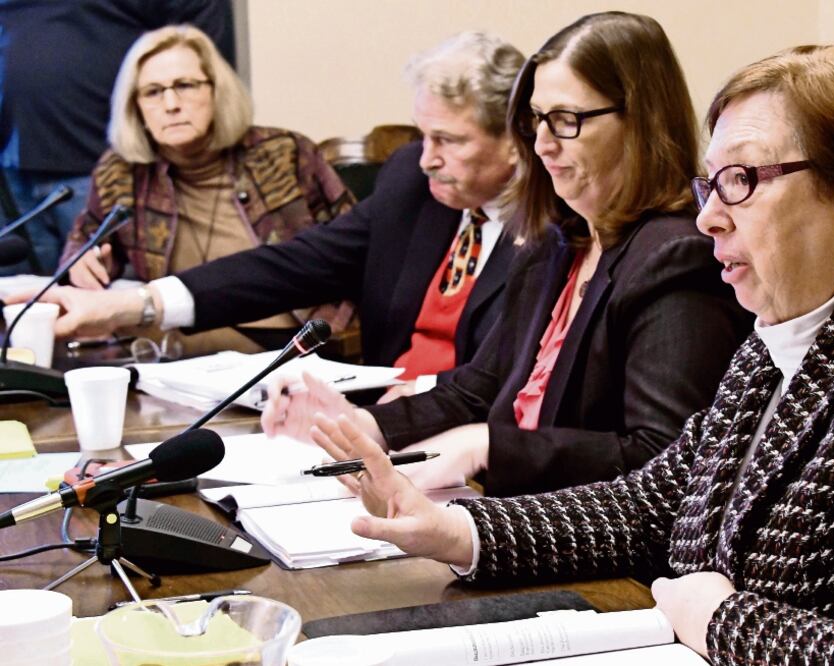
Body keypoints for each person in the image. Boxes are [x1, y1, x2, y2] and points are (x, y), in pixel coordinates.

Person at [307, 44, 834, 663]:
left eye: (744, 180)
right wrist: (453, 530)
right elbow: (651, 504)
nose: (708, 217)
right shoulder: (785, 334)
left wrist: (724, 620)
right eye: (712, 182)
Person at [265, 12, 750, 497]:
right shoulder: (559, 239)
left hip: (609, 559)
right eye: (536, 120)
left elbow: (665, 461)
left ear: (639, 120)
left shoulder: (677, 255)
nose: (541, 144)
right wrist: (362, 424)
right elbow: (479, 387)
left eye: (565, 120)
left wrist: (490, 446)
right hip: (513, 517)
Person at [15, 32, 523, 383]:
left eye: (449, 140)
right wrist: (135, 303)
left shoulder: (558, 226)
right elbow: (297, 263)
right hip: (360, 416)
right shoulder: (411, 182)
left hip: (458, 446)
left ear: (516, 142)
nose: (427, 158)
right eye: (423, 135)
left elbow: (494, 390)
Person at [58, 24, 347, 356]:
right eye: (152, 91)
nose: (170, 104)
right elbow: (83, 245)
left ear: (216, 91)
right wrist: (82, 263)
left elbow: (355, 250)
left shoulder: (284, 153)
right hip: (176, 360)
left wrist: (334, 332)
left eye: (185, 85)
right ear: (135, 107)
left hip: (284, 351)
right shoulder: (121, 172)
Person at [0, 1, 235, 276]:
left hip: (107, 165)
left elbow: (199, 26)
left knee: (113, 299)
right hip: (11, 171)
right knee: (24, 305)